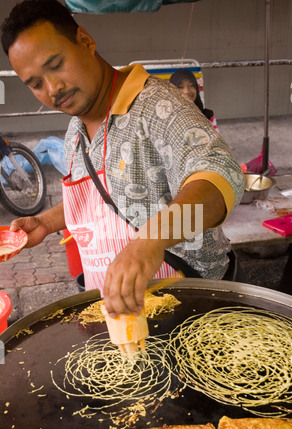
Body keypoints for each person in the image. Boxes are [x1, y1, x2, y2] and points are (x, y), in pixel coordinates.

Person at [1, 0, 245, 317]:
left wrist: (151, 241)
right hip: (117, 311)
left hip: (190, 308)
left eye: (56, 64)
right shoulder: (76, 130)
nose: (53, 88)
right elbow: (103, 198)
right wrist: (45, 222)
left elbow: (219, 184)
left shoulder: (158, 106)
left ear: (86, 41)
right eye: (35, 84)